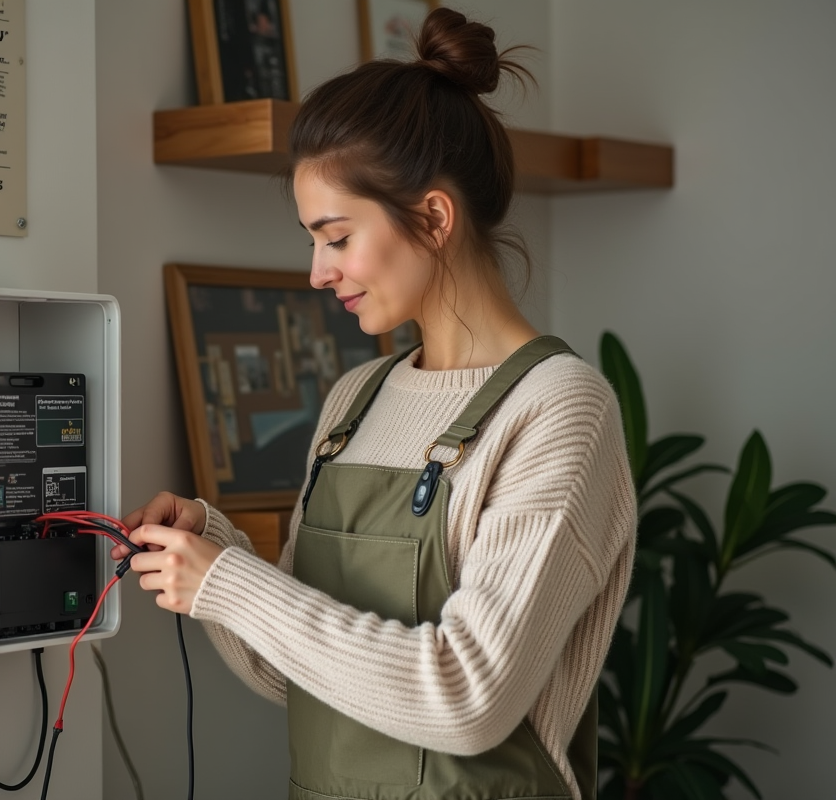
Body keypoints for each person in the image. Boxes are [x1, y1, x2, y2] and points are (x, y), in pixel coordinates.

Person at [114, 8, 637, 799]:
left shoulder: (561, 410)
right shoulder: (357, 399)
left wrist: (228, 583)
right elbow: (295, 673)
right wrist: (211, 546)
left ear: (432, 217)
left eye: (335, 236)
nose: (318, 272)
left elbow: (467, 698)